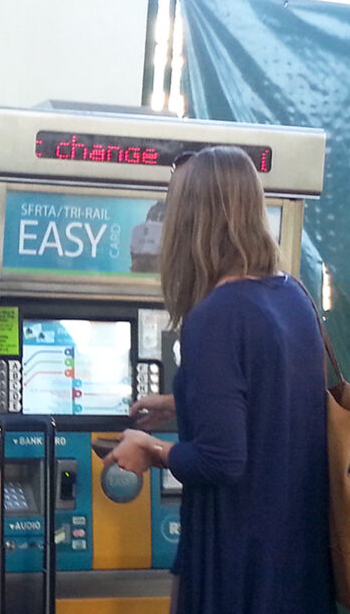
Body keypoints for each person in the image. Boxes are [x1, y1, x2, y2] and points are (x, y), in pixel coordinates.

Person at [102, 146, 335, 613]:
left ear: (192, 220)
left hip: (236, 563)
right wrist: (182, 399)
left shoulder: (216, 315)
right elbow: (273, 399)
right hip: (294, 559)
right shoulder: (292, 296)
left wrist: (149, 450)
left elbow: (222, 461)